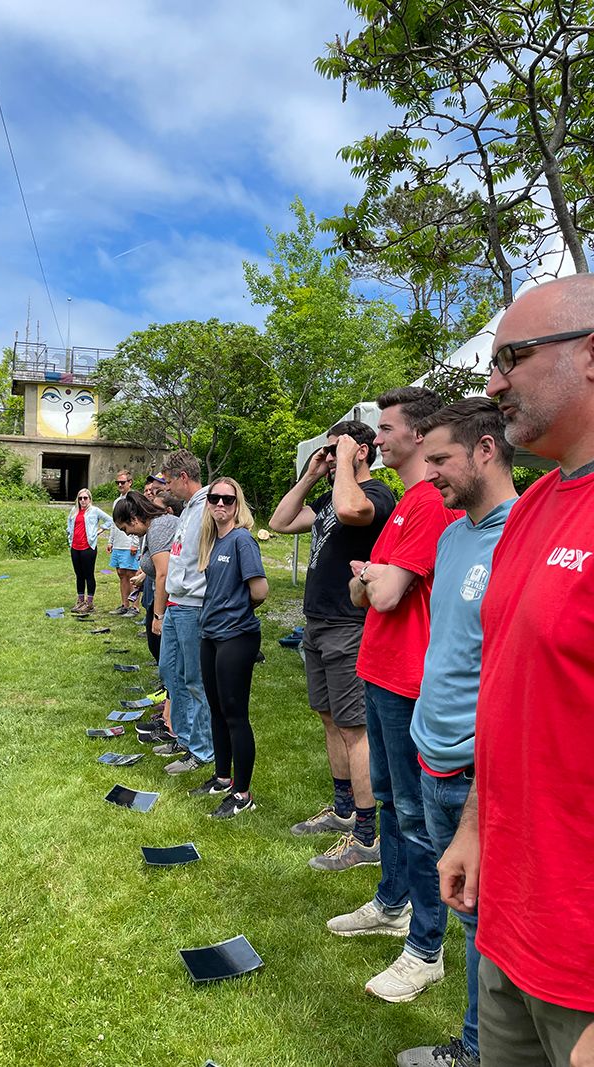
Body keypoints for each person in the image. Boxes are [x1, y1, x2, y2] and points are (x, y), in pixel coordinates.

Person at [438, 276, 594, 1067]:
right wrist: (472, 827)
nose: (493, 382)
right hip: (508, 923)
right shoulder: (533, 508)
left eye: (514, 357)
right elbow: (509, 695)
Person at [327, 386, 460, 1004]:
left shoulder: (430, 502)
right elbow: (366, 591)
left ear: (417, 434)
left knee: (415, 814)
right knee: (386, 799)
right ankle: (389, 902)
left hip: (408, 679)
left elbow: (379, 595)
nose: (374, 438)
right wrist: (376, 580)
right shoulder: (406, 504)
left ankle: (424, 946)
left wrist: (377, 581)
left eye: (385, 428)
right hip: (379, 669)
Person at [395, 399, 517, 1067]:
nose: (429, 471)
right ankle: (473, 1040)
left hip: (478, 770)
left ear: (486, 450)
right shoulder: (449, 535)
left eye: (440, 458)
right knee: (469, 916)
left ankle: (477, 1049)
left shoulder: (517, 534)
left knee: (487, 922)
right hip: (430, 751)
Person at [269, 421, 396, 869]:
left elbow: (349, 513)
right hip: (317, 623)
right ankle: (343, 811)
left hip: (349, 624)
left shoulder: (376, 495)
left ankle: (366, 836)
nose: (327, 457)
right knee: (328, 718)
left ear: (360, 450)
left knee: (353, 728)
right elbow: (280, 521)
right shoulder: (328, 496)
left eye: (335, 449)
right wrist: (310, 475)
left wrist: (344, 461)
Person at [189, 477, 268, 818]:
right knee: (216, 709)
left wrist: (235, 612)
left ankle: (242, 794)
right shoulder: (213, 541)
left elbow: (260, 590)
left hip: (236, 637)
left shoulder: (242, 541)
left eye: (228, 500)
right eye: (215, 499)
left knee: (235, 715)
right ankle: (222, 778)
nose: (220, 504)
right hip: (211, 636)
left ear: (238, 505)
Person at [156, 449, 214, 775]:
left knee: (195, 680)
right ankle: (182, 736)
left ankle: (202, 750)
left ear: (182, 477)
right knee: (170, 672)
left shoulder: (208, 506)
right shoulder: (188, 509)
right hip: (177, 604)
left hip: (194, 606)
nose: (166, 488)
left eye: (168, 481)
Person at [113, 491, 178, 666]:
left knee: (166, 646)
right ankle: (167, 683)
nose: (127, 534)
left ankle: (170, 688)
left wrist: (159, 616)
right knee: (156, 642)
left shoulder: (158, 528)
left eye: (125, 529)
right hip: (167, 596)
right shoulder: (152, 528)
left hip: (175, 600)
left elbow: (163, 573)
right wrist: (144, 576)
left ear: (134, 519)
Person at [66, 488, 112, 614]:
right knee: (79, 575)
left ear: (90, 499)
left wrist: (100, 530)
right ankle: (80, 601)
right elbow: (69, 525)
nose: (82, 501)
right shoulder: (74, 511)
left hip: (88, 548)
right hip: (75, 547)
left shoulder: (94, 511)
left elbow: (110, 520)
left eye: (85, 498)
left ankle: (89, 603)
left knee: (88, 574)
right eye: (80, 498)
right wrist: (69, 538)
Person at [107, 470, 141, 616]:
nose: (120, 485)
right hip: (119, 544)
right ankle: (124, 604)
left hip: (130, 542)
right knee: (121, 573)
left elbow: (136, 522)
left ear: (130, 482)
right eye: (118, 483)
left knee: (132, 575)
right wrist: (111, 541)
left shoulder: (133, 500)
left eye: (123, 482)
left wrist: (135, 543)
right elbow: (114, 524)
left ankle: (135, 606)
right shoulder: (116, 501)